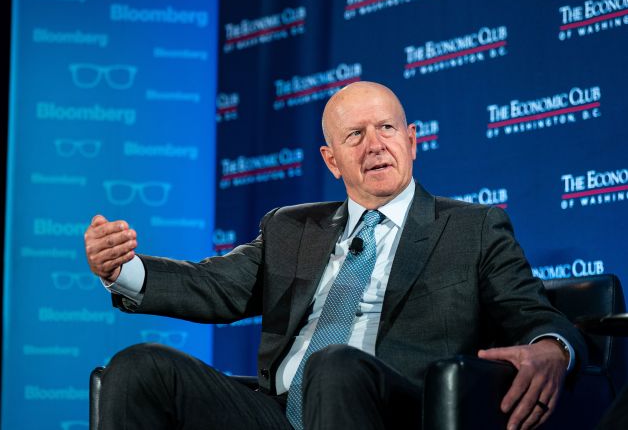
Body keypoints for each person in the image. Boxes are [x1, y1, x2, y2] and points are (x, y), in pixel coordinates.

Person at [84, 81, 586, 430]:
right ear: (332, 160)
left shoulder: (471, 228)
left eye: (387, 129)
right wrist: (122, 269)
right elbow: (214, 285)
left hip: (398, 411)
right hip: (280, 415)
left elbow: (533, 313)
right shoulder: (290, 227)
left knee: (335, 366)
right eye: (355, 135)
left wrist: (552, 348)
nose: (374, 146)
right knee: (139, 367)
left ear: (411, 142)